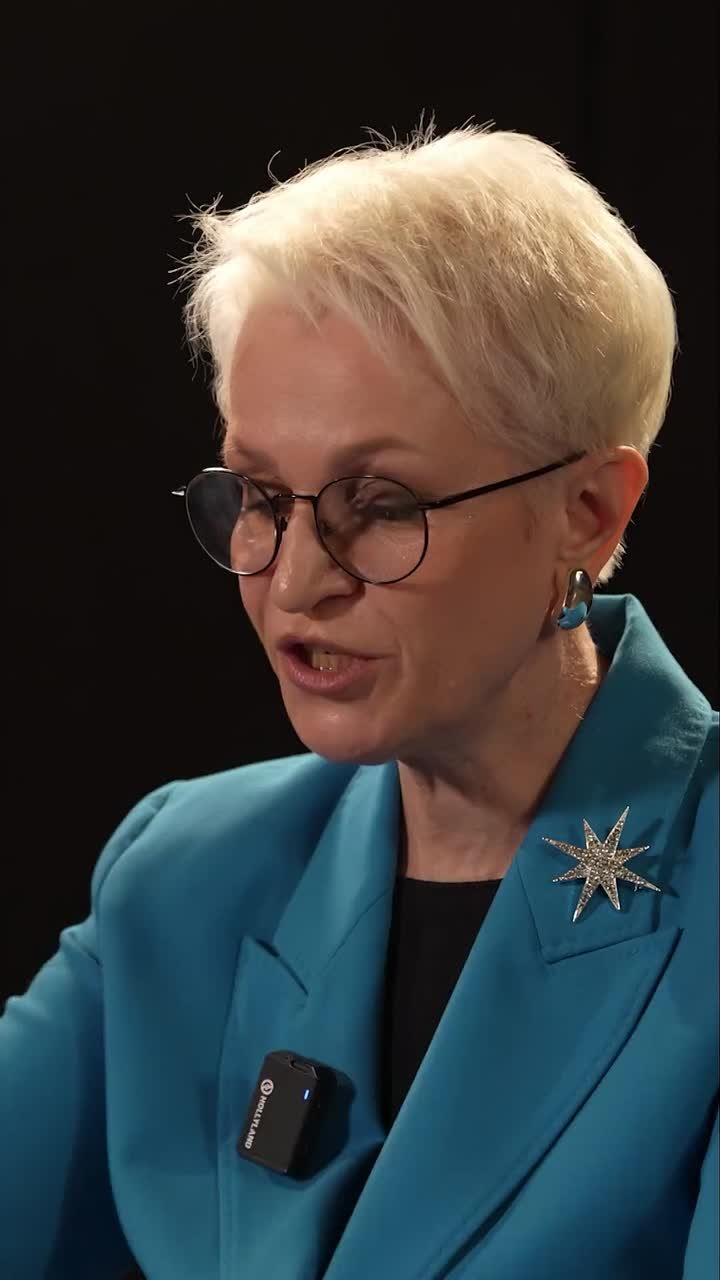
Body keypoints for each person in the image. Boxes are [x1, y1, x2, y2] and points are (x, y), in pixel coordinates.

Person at [1, 122, 717, 1280]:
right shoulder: (184, 872)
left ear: (588, 511)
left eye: (380, 503)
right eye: (260, 495)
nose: (294, 582)